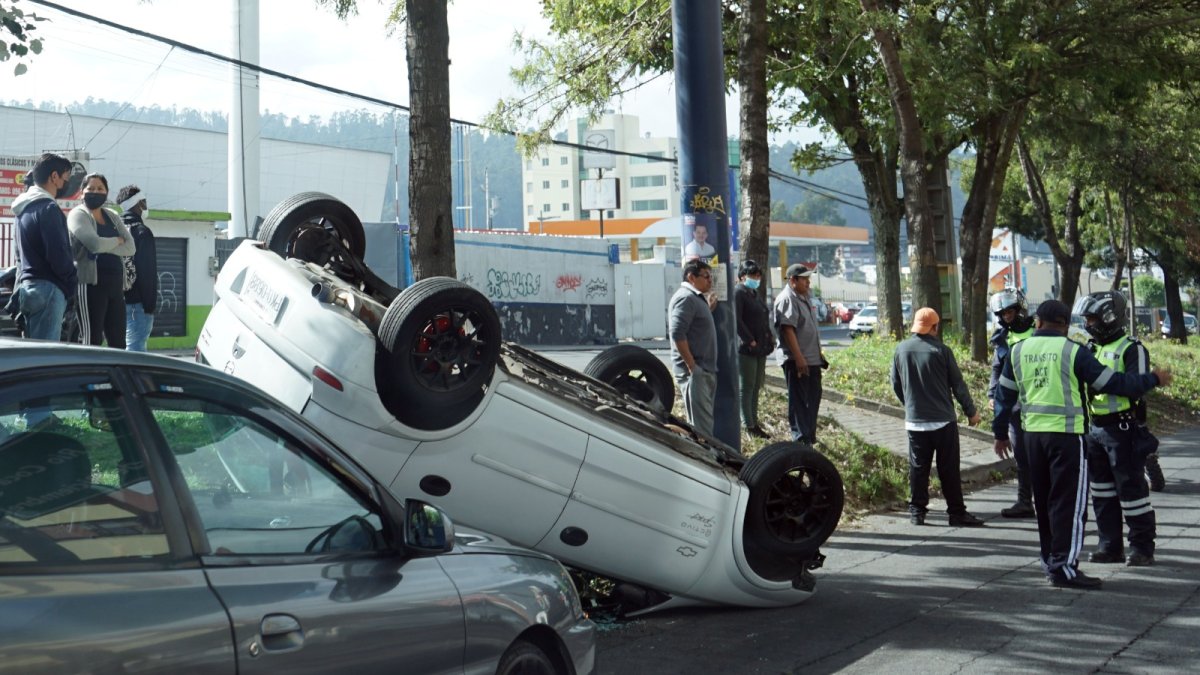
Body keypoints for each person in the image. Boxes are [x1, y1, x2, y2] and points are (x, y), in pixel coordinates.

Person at [993, 300, 1172, 589]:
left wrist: (1000, 432)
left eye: (1091, 320)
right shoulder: (1074, 351)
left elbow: (1003, 396)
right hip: (1067, 436)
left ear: (1038, 322)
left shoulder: (1017, 351)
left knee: (1046, 504)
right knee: (1069, 505)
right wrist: (1154, 379)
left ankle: (1054, 561)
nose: (1088, 326)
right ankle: (1064, 567)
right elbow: (1113, 383)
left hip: (1033, 438)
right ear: (1065, 325)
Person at [1073, 291, 1158, 567]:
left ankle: (1142, 548)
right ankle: (1110, 547)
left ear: (1109, 318)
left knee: (1132, 491)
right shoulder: (1089, 348)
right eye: (1086, 319)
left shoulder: (1132, 348)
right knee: (1101, 491)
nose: (1088, 324)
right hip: (1094, 428)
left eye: (1092, 319)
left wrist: (1100, 383)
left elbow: (1137, 385)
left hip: (1122, 428)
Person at [892, 308, 986, 526]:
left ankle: (917, 512)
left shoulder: (901, 349)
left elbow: (896, 384)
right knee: (948, 469)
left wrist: (911, 405)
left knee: (918, 468)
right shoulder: (942, 351)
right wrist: (971, 412)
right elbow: (958, 385)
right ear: (934, 327)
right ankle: (956, 513)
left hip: (915, 422)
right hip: (943, 421)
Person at [11, 153, 78, 340]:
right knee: (47, 353)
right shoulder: (48, 208)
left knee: (32, 353)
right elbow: (58, 255)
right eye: (66, 177)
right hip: (49, 290)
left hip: (27, 288)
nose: (67, 183)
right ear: (54, 176)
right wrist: (71, 281)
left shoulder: (23, 210)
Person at [68, 173, 135, 348]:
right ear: (82, 192)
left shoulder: (112, 216)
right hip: (90, 284)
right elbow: (95, 244)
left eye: (100, 189)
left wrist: (105, 245)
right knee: (92, 340)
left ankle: (114, 368)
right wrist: (117, 241)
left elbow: (130, 247)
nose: (95, 192)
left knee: (118, 342)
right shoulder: (78, 215)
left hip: (115, 286)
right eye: (90, 188)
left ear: (106, 192)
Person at [987, 288, 1036, 518]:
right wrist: (992, 394)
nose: (1007, 316)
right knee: (1022, 457)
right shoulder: (1002, 337)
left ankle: (1051, 500)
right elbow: (997, 368)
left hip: (1038, 402)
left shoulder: (1037, 331)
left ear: (1019, 309)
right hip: (1014, 406)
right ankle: (1024, 501)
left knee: (1043, 456)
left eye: (1010, 311)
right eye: (1002, 313)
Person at [772, 263, 826, 444]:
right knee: (799, 401)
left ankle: (809, 436)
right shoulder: (787, 298)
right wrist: (799, 358)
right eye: (804, 279)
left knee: (813, 398)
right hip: (797, 360)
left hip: (812, 359)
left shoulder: (805, 296)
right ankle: (801, 439)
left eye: (808, 279)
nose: (808, 282)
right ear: (793, 280)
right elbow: (788, 330)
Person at [668, 258, 718, 437]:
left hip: (703, 370)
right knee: (702, 431)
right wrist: (692, 366)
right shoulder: (686, 298)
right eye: (706, 276)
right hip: (696, 372)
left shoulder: (695, 298)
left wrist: (708, 308)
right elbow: (677, 333)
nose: (710, 281)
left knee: (704, 425)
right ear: (691, 277)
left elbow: (695, 325)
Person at [734, 260, 774, 438]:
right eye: (752, 275)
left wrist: (768, 338)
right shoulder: (739, 293)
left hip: (760, 348)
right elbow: (737, 320)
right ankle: (747, 424)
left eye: (758, 275)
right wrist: (750, 341)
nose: (756, 278)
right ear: (743, 276)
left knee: (756, 386)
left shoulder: (754, 293)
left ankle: (754, 422)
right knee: (747, 386)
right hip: (747, 348)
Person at [117, 185, 158, 352]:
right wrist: (149, 307)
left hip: (115, 302)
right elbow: (147, 273)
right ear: (139, 203)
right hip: (137, 304)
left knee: (119, 349)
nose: (146, 206)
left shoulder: (114, 229)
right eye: (144, 202)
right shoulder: (142, 232)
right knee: (135, 352)